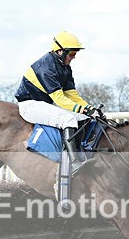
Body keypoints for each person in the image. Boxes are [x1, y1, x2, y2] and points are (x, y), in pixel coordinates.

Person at [14, 31, 102, 174]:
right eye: (72, 53)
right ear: (60, 51)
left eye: (75, 53)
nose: (74, 57)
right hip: (30, 105)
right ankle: (74, 162)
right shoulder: (45, 68)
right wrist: (82, 109)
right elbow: (59, 99)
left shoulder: (65, 67)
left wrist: (89, 109)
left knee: (85, 118)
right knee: (68, 119)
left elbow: (72, 95)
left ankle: (81, 154)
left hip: (44, 104)